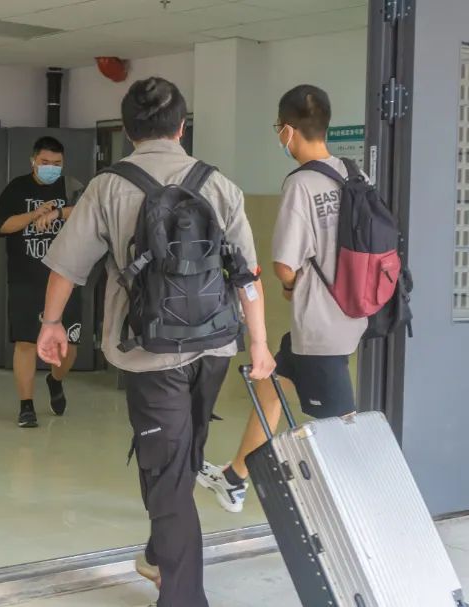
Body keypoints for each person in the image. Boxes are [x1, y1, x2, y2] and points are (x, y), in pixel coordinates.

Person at [36, 77, 275, 607]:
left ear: (128, 130)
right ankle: (159, 553)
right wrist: (258, 343)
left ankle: (183, 596)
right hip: (215, 346)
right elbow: (248, 277)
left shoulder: (108, 186)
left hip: (148, 351)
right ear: (182, 127)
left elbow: (67, 268)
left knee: (168, 472)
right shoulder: (220, 186)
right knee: (179, 461)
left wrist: (51, 324)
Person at [197, 84, 367, 513]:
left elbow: (284, 266)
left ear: (288, 130)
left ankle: (355, 509)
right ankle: (236, 478)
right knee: (270, 384)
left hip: (320, 322)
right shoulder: (355, 173)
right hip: (355, 307)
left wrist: (291, 287)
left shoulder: (302, 183)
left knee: (338, 422)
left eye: (279, 127)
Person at [0, 136, 85, 428]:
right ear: (33, 160)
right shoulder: (17, 188)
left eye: (57, 163)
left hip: (65, 279)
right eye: (45, 162)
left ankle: (55, 380)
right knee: (25, 342)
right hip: (25, 279)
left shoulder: (70, 187)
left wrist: (57, 212)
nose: (51, 168)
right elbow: (3, 225)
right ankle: (26, 406)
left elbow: (88, 213)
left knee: (69, 347)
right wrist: (34, 214)